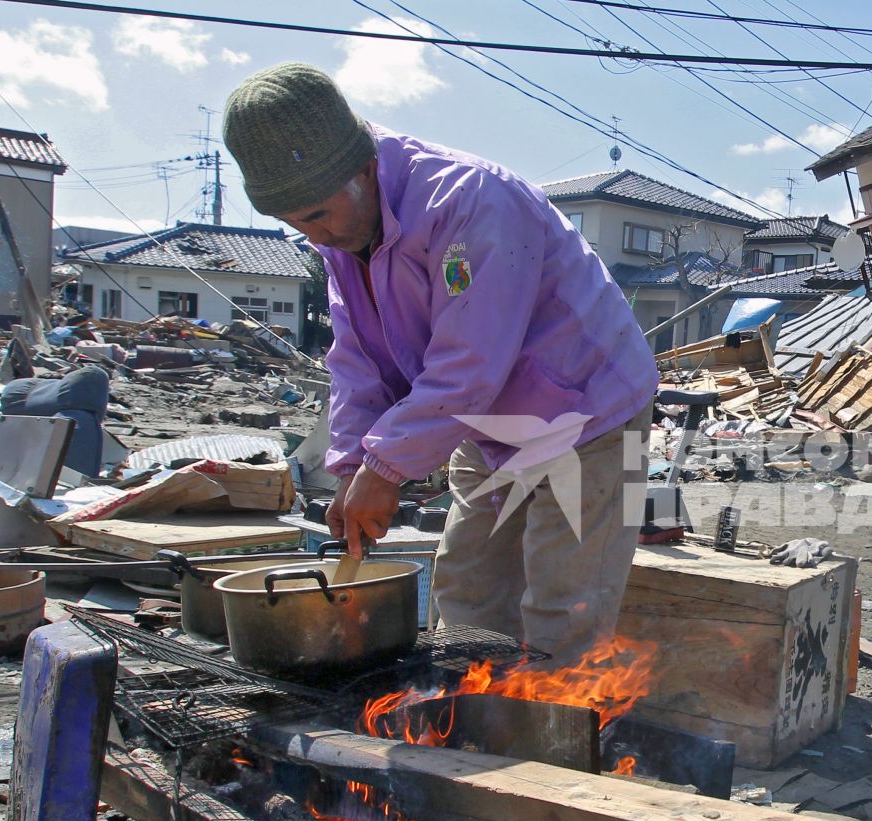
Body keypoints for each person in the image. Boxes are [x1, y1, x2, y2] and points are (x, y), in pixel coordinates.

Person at [222, 62, 659, 666]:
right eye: (296, 225)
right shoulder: (342, 235)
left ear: (366, 167)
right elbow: (356, 361)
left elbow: (471, 359)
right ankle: (467, 730)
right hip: (487, 422)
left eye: (319, 216)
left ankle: (554, 744)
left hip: (597, 413)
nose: (315, 236)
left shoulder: (470, 200)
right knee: (468, 590)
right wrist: (352, 465)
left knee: (567, 605)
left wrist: (386, 466)